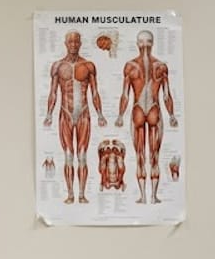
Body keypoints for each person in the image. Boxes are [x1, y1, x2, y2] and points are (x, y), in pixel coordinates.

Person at [43, 31, 107, 205]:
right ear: (65, 43)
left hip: (84, 113)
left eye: (76, 41)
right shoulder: (57, 66)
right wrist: (49, 114)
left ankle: (82, 194)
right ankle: (71, 194)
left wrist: (100, 114)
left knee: (83, 155)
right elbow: (53, 92)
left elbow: (94, 92)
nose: (73, 44)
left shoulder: (88, 66)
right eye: (70, 41)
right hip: (65, 112)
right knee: (69, 155)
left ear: (80, 43)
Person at [115, 30, 179, 204]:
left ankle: (147, 196)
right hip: (151, 109)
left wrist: (121, 116)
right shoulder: (158, 66)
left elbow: (165, 94)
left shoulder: (134, 66)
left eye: (147, 42)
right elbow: (164, 95)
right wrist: (120, 115)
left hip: (143, 109)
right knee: (146, 155)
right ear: (138, 44)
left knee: (146, 156)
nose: (145, 45)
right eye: (143, 42)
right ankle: (148, 196)